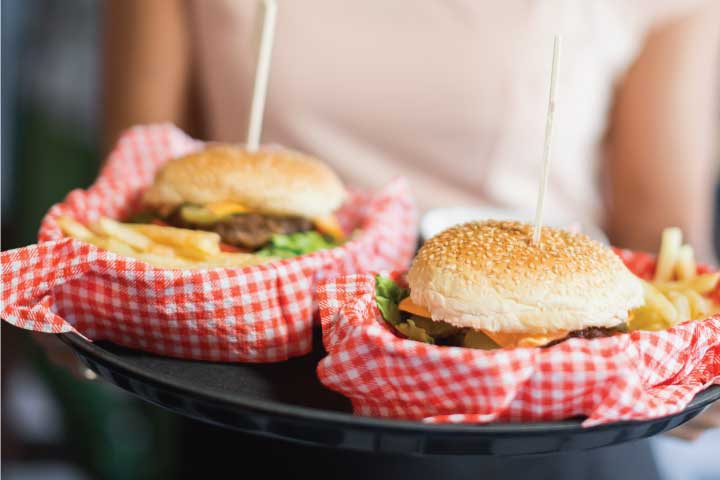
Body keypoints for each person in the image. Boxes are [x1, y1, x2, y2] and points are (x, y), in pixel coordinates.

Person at [101, 1, 720, 478]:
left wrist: (699, 363)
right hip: (257, 393)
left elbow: (657, 223)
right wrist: (96, 305)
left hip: (558, 428)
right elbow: (138, 178)